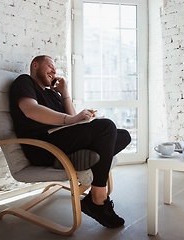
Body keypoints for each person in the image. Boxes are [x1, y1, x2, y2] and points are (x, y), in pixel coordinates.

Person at [9, 55, 131, 228]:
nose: (54, 70)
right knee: (106, 127)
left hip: (61, 141)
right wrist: (72, 120)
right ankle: (97, 199)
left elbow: (74, 119)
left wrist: (64, 93)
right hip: (43, 145)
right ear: (35, 65)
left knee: (124, 135)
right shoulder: (25, 82)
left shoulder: (53, 94)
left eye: (55, 67)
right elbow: (30, 110)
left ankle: (75, 158)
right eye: (50, 65)